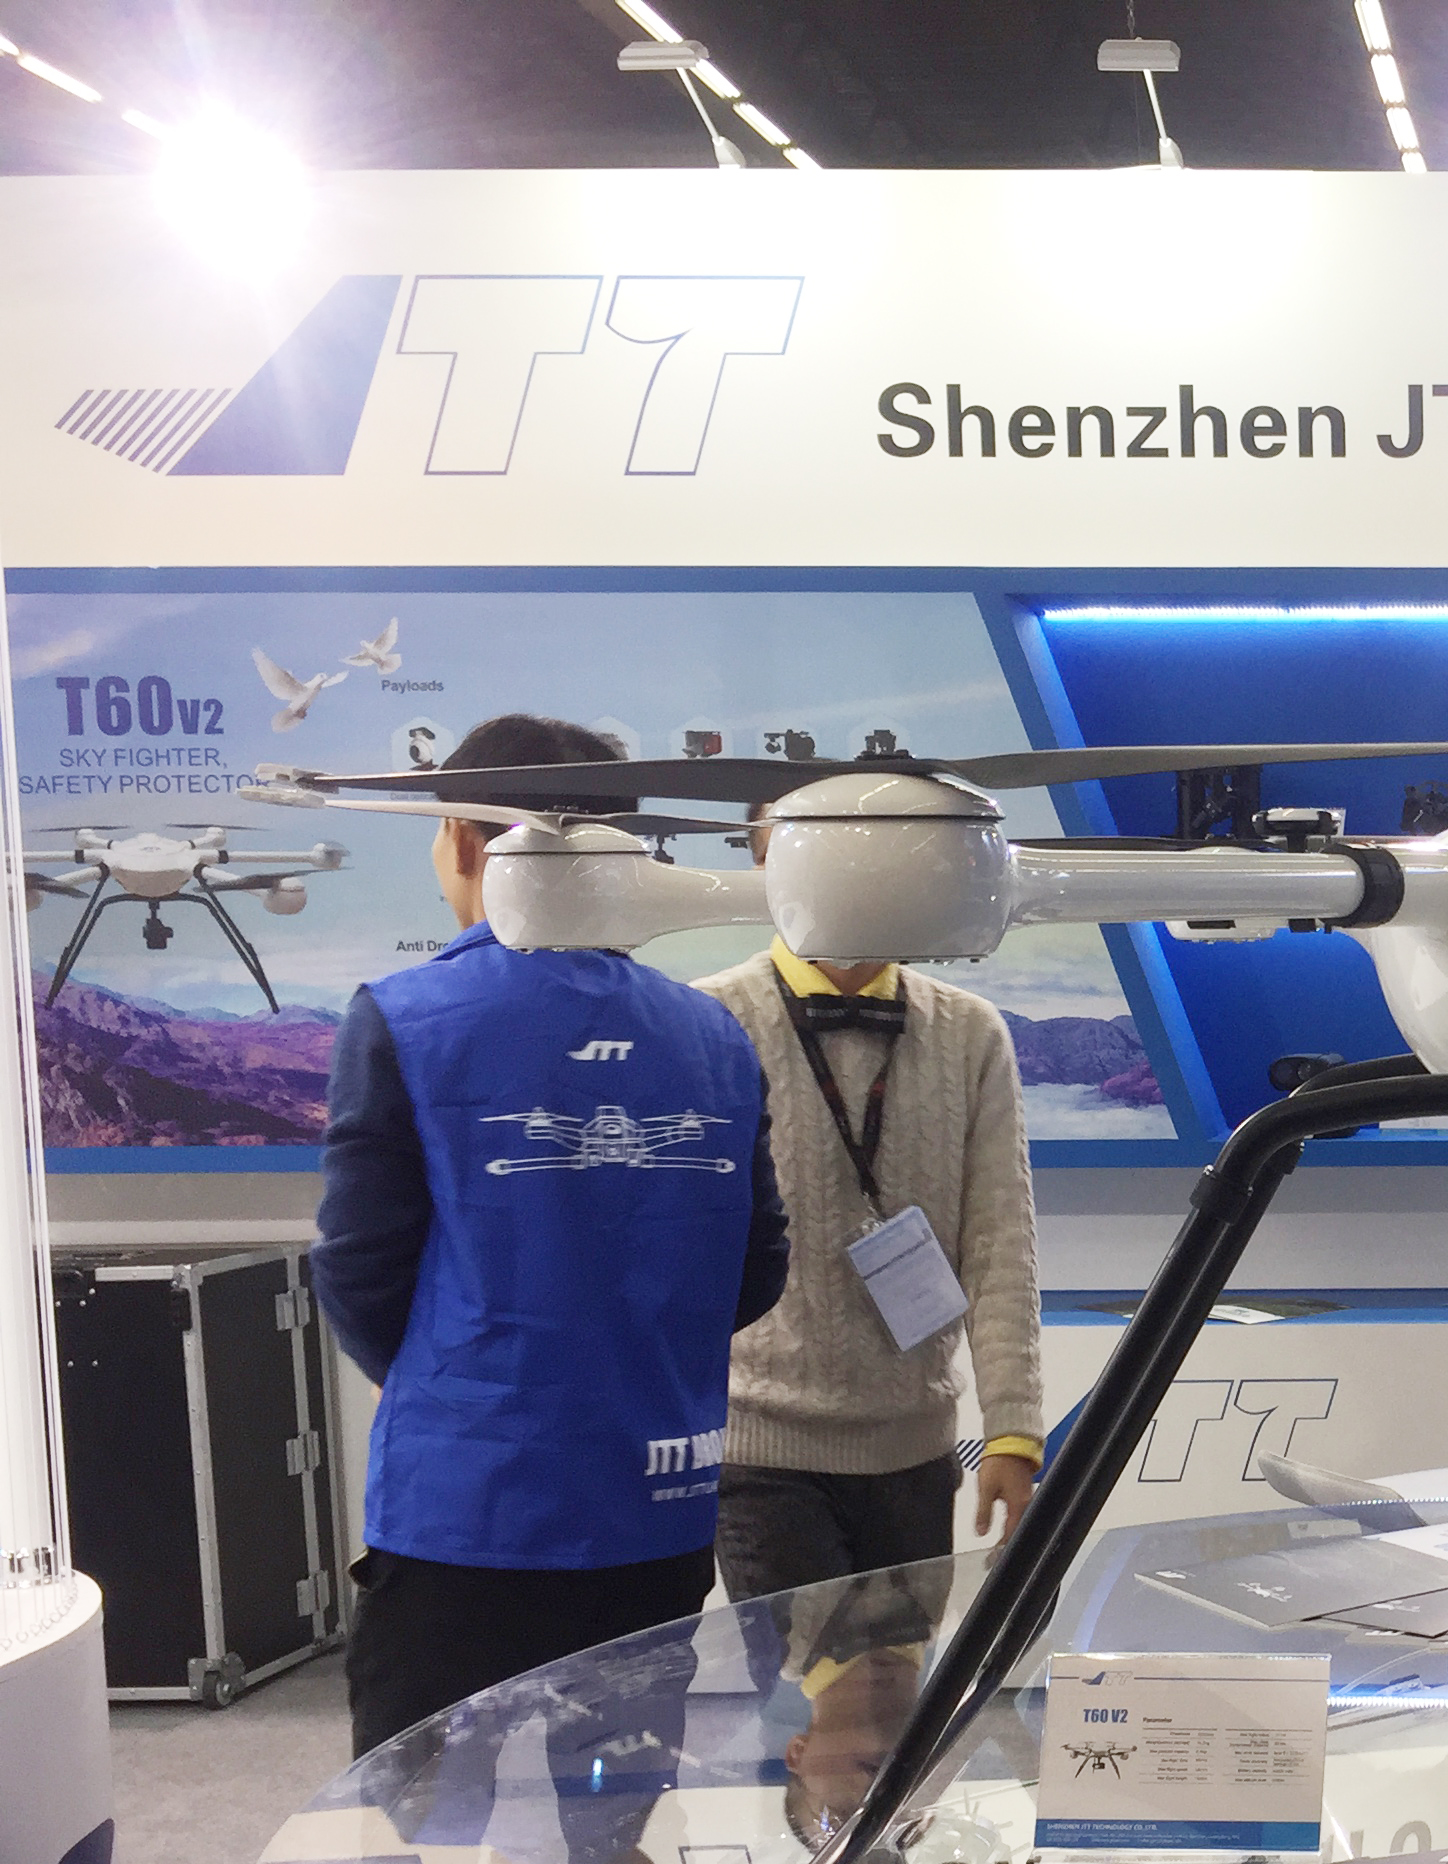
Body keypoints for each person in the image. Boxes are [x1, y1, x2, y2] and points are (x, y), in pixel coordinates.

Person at [315, 716, 791, 1759]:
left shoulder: (405, 1016)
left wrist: (457, 1382)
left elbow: (357, 1267)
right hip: (656, 1511)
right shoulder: (714, 1034)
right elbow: (758, 1269)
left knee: (420, 1818)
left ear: (465, 840)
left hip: (467, 1507)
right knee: (612, 1805)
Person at [695, 820, 1045, 1606]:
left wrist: (1013, 1431)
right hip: (759, 1447)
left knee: (902, 1680)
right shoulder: (711, 1019)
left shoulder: (970, 1033)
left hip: (914, 1447)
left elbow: (1001, 1241)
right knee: (804, 1679)